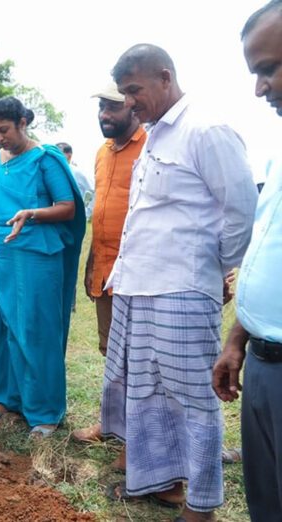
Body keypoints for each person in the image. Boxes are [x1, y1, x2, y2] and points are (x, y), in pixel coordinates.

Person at [100, 45, 258, 521]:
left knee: (193, 400)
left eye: (134, 91)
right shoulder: (155, 135)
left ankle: (202, 504)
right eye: (124, 93)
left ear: (164, 78)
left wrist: (213, 266)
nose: (129, 102)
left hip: (181, 291)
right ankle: (156, 479)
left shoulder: (206, 129)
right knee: (144, 391)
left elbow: (241, 211)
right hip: (140, 286)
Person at [0, 97, 85, 438]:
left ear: (23, 122)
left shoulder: (45, 158)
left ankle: (45, 411)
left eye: (4, 130)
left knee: (36, 329)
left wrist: (31, 213)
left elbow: (67, 207)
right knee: (1, 326)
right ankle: (5, 398)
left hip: (35, 253)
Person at [213, 4, 282, 520]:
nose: (261, 88)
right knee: (266, 502)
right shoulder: (277, 151)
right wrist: (239, 337)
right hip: (262, 364)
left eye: (269, 69)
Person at [70, 84, 145, 449]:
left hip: (137, 275)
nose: (104, 115)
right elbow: (100, 212)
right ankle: (112, 423)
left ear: (132, 106)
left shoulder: (150, 146)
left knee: (137, 357)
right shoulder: (101, 152)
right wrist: (90, 264)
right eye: (101, 107)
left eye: (112, 108)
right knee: (111, 352)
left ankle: (137, 434)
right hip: (103, 269)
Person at [56, 142, 94, 219]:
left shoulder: (77, 172)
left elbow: (95, 191)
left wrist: (87, 213)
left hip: (74, 219)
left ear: (69, 156)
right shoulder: (53, 174)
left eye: (59, 153)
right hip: (55, 220)